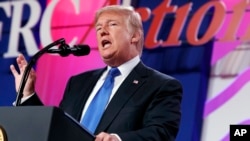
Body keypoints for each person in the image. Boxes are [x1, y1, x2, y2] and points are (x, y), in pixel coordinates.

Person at [10, 5, 183, 141]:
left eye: (112, 24)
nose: (102, 31)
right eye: (99, 27)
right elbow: (56, 128)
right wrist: (28, 95)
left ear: (135, 36)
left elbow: (162, 133)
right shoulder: (78, 83)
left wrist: (117, 139)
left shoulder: (160, 86)